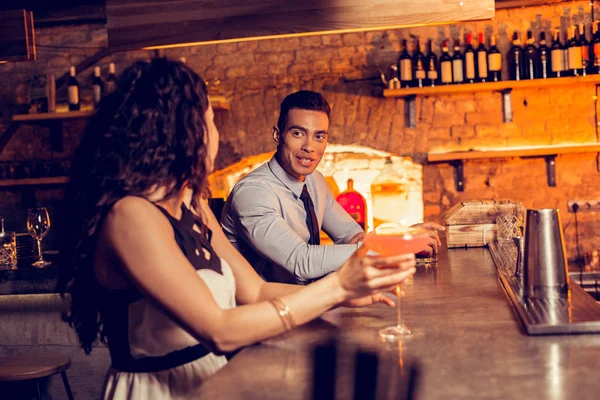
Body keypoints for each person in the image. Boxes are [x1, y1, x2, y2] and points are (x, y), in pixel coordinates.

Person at [59, 59, 417, 400]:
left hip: (216, 378)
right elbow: (220, 330)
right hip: (160, 390)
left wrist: (340, 296)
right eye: (211, 122)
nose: (216, 134)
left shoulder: (192, 203)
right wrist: (336, 286)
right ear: (183, 131)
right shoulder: (130, 216)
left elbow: (257, 291)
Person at [221, 90, 444, 285]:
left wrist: (403, 236)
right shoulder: (253, 193)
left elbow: (352, 237)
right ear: (277, 135)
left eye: (319, 136)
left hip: (308, 302)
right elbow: (301, 261)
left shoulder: (315, 181)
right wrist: (392, 247)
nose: (309, 147)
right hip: (260, 313)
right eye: (298, 133)